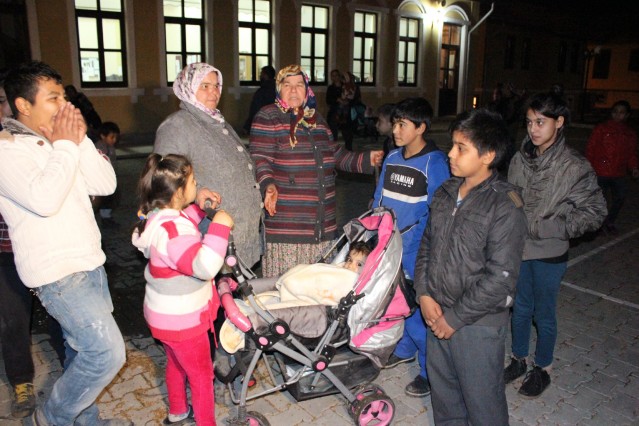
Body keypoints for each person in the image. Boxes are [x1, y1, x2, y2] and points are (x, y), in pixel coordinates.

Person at [0, 61, 130, 425]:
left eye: (63, 96)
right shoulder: (8, 151)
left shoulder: (60, 144)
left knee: (79, 353)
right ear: (23, 105)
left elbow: (105, 184)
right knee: (106, 353)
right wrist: (65, 145)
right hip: (58, 274)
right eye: (53, 97)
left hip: (90, 264)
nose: (64, 105)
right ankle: (50, 417)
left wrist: (80, 140)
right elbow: (44, 200)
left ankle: (85, 422)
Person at [414, 108, 527, 424]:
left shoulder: (505, 205)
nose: (451, 154)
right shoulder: (446, 191)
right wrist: (424, 294)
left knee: (482, 404)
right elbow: (427, 246)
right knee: (445, 400)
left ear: (488, 155)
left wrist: (454, 318)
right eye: (452, 145)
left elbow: (501, 277)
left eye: (461, 148)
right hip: (437, 312)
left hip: (476, 324)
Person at [505, 92, 607, 398]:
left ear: (559, 122)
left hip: (549, 253)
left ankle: (544, 367)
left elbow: (596, 211)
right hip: (518, 249)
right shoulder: (519, 158)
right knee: (520, 309)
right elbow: (509, 195)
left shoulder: (574, 166)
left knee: (543, 313)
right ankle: (519, 359)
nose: (533, 129)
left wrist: (553, 227)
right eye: (529, 122)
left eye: (541, 122)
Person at [249, 64, 383, 278]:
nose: (294, 90)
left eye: (299, 84)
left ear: (307, 89)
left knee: (318, 291)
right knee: (288, 290)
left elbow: (334, 153)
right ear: (279, 89)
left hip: (322, 227)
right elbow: (260, 158)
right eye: (287, 85)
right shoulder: (268, 116)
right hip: (289, 228)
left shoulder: (315, 119)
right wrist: (268, 184)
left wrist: (366, 159)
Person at [132, 153, 233, 426]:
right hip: (184, 322)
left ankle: (177, 411)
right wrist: (220, 228)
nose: (197, 184)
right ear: (178, 192)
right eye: (193, 181)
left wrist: (198, 205)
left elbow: (181, 220)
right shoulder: (174, 232)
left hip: (163, 317)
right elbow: (204, 266)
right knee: (201, 376)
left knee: (176, 364)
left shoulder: (158, 218)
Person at [372, 97, 450, 398]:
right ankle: (405, 349)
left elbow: (439, 213)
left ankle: (430, 372)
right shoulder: (392, 157)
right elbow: (379, 199)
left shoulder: (435, 163)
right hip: (388, 246)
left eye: (403, 124)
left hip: (416, 252)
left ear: (421, 128)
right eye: (395, 123)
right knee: (397, 303)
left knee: (418, 311)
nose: (395, 130)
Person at [154, 62, 262, 269]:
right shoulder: (176, 126)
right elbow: (165, 176)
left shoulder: (216, 121)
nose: (213, 92)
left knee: (234, 286)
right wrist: (198, 192)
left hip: (237, 229)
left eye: (216, 86)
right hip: (210, 229)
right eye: (205, 86)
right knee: (214, 286)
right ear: (188, 88)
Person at [219, 241, 372, 354]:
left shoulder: (355, 283)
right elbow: (316, 276)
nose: (350, 266)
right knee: (293, 280)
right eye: (349, 260)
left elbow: (332, 292)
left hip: (320, 309)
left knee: (274, 310)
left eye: (359, 264)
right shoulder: (339, 270)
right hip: (304, 295)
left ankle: (249, 322)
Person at [0, 72, 37, 419]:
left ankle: (75, 372)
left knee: (59, 317)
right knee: (13, 318)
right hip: (4, 250)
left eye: (2, 102)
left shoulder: (26, 139)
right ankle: (21, 381)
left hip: (37, 244)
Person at [585, 100, 639, 235]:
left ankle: (609, 222)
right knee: (600, 200)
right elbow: (591, 148)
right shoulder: (602, 129)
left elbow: (631, 153)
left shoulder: (630, 134)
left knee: (620, 197)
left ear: (627, 115)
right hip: (601, 171)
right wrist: (588, 166)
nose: (617, 115)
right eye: (615, 112)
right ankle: (597, 224)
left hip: (619, 173)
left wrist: (634, 167)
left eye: (621, 113)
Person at [93, 121, 121, 227]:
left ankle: (106, 217)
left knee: (111, 199)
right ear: (103, 136)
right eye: (112, 137)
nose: (114, 140)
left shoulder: (110, 147)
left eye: (116, 137)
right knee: (105, 199)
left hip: (109, 178)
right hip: (102, 180)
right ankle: (104, 218)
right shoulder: (100, 148)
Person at [243, 65, 277, 133]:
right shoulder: (279, 89)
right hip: (276, 124)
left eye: (261, 74)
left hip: (263, 124)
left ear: (266, 75)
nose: (260, 76)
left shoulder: (262, 92)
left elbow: (255, 109)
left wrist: (247, 126)